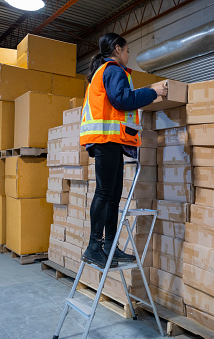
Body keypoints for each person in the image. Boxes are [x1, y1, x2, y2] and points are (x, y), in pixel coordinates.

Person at [80, 33, 167, 268]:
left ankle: (109, 246)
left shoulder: (106, 72)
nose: (128, 55)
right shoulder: (113, 70)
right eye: (127, 50)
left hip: (110, 141)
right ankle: (93, 247)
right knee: (105, 193)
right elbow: (122, 100)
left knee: (113, 195)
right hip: (105, 140)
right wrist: (153, 91)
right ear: (117, 49)